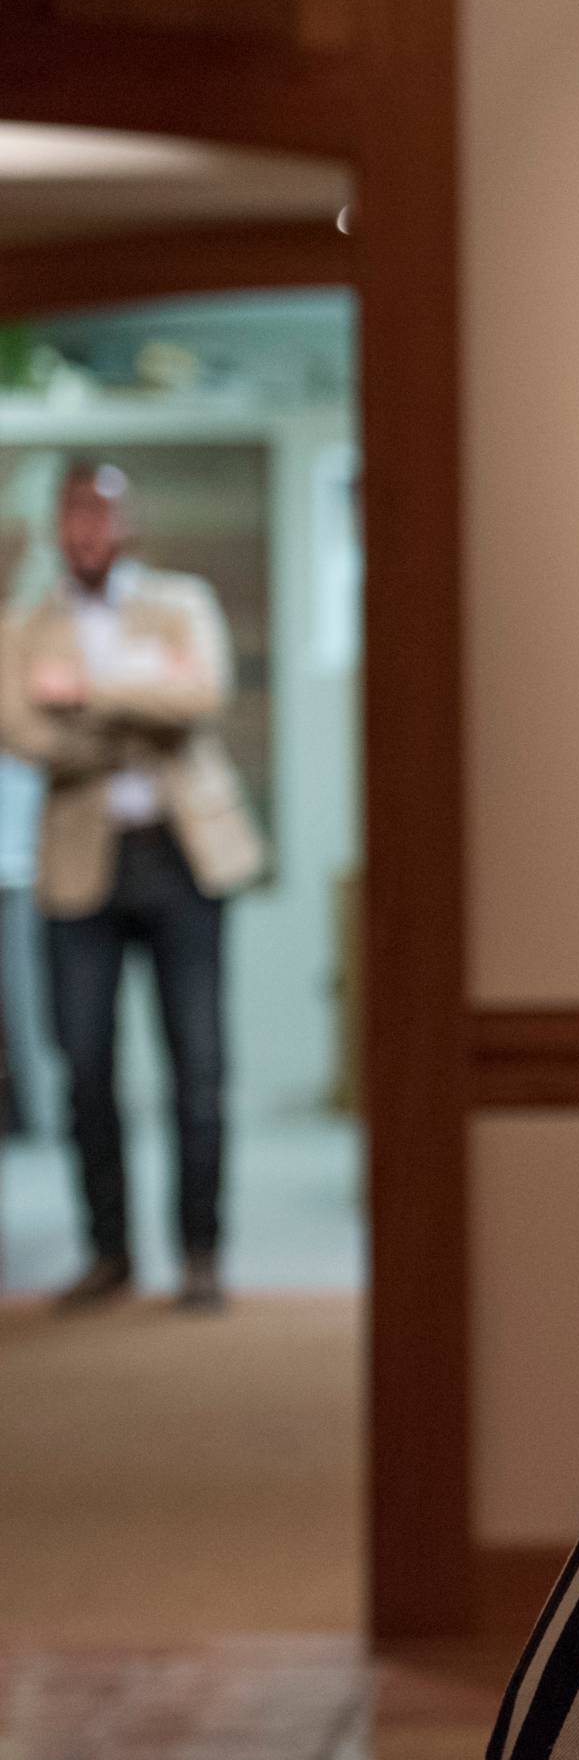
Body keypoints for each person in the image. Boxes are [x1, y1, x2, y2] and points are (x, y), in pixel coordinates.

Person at [0, 461, 264, 1314]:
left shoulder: (180, 603)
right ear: (55, 528)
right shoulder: (24, 625)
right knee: (83, 1068)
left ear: (129, 524)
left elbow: (203, 694)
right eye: (73, 517)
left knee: (200, 1070)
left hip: (184, 859)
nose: (88, 532)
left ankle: (200, 1254)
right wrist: (142, 703)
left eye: (102, 516)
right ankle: (108, 1253)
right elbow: (25, 733)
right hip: (80, 867)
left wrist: (84, 692)